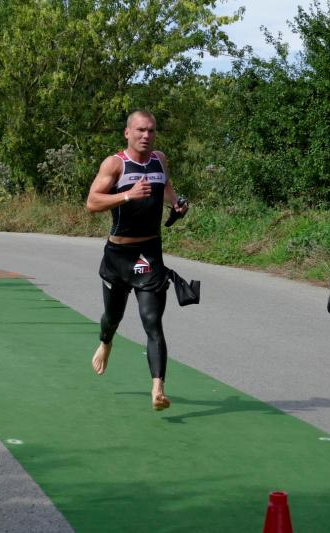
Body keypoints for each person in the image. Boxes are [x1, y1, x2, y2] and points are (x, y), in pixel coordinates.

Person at [86, 110, 188, 410]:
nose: (146, 135)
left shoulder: (159, 160)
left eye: (151, 130)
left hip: (149, 255)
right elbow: (92, 202)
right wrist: (127, 195)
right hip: (118, 256)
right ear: (127, 133)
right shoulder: (115, 164)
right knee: (112, 317)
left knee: (152, 321)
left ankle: (158, 389)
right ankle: (106, 342)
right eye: (141, 130)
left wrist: (175, 203)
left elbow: (166, 186)